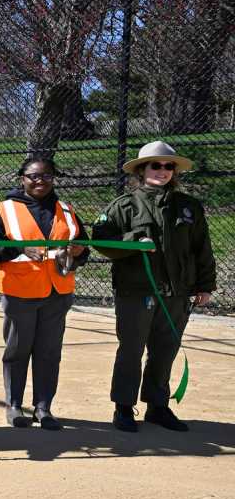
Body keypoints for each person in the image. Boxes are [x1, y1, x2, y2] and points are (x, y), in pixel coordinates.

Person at [93, 141, 215, 433]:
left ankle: (158, 406)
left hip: (177, 292)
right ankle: (123, 407)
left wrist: (204, 285)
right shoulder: (124, 205)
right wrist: (134, 241)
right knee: (131, 350)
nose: (162, 171)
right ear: (141, 169)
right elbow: (100, 240)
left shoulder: (188, 207)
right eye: (155, 165)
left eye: (168, 166)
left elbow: (202, 249)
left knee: (165, 350)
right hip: (137, 291)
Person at [0, 156, 88, 431]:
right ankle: (15, 405)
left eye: (46, 176)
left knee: (49, 352)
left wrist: (78, 251)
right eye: (33, 176)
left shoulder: (65, 209)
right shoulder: (5, 209)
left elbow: (84, 246)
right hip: (21, 291)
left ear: (53, 178)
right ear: (22, 179)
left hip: (58, 290)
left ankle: (43, 408)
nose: (40, 181)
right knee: (18, 349)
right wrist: (18, 248)